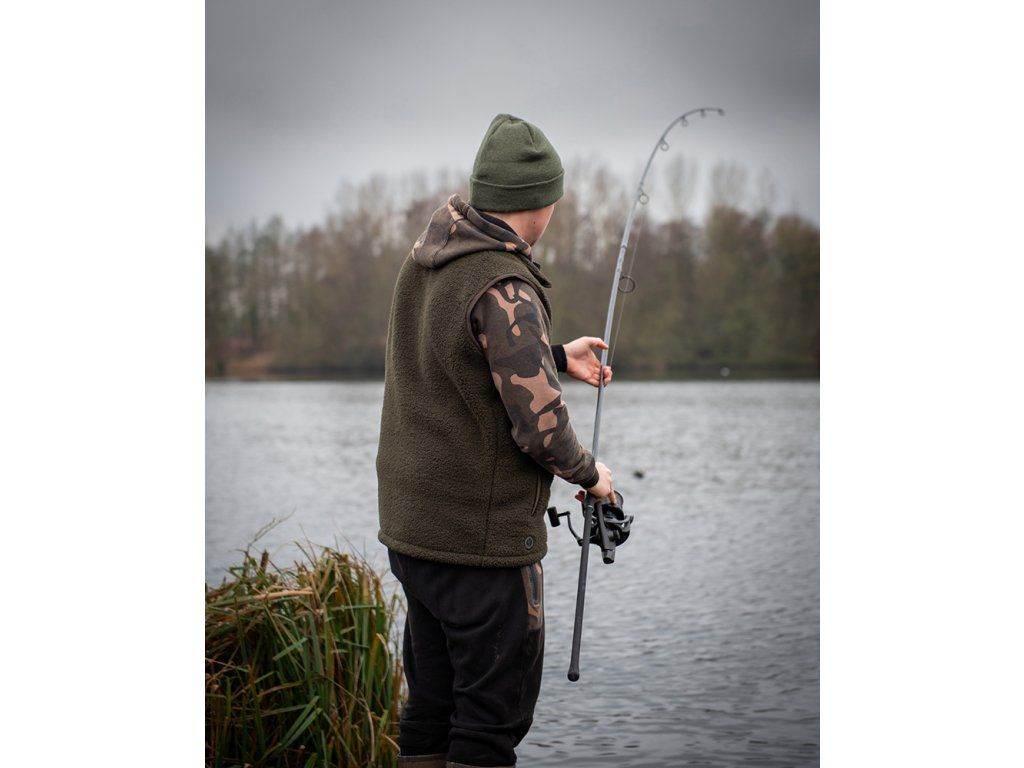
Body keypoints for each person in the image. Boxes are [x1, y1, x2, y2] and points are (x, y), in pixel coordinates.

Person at [376, 113, 615, 768]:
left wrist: (555, 356)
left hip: (416, 536)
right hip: (480, 548)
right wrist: (592, 475)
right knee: (488, 724)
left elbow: (450, 362)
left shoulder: (428, 260)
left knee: (431, 708)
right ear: (538, 201)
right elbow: (543, 430)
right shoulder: (506, 283)